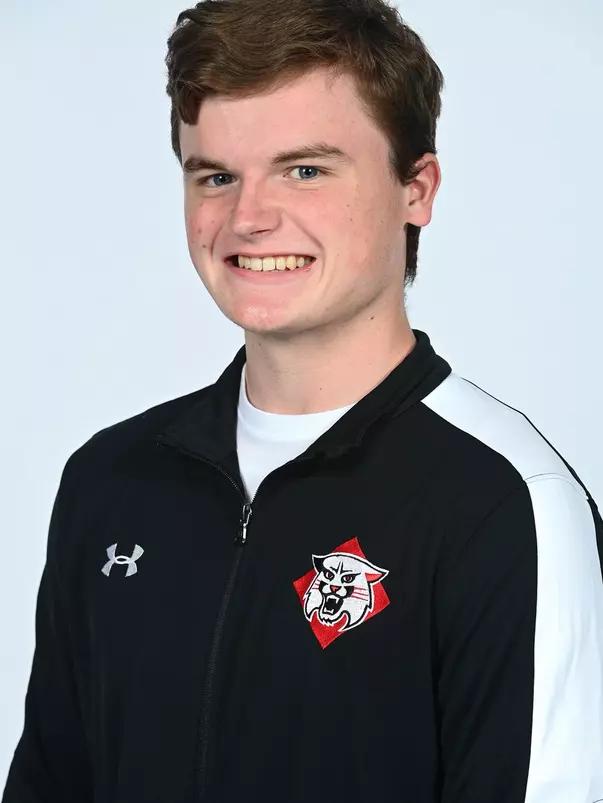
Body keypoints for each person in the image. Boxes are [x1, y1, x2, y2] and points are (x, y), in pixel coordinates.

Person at [3, 0, 603, 800]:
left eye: (305, 169)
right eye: (216, 176)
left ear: (415, 188)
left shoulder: (504, 503)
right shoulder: (110, 481)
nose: (248, 218)